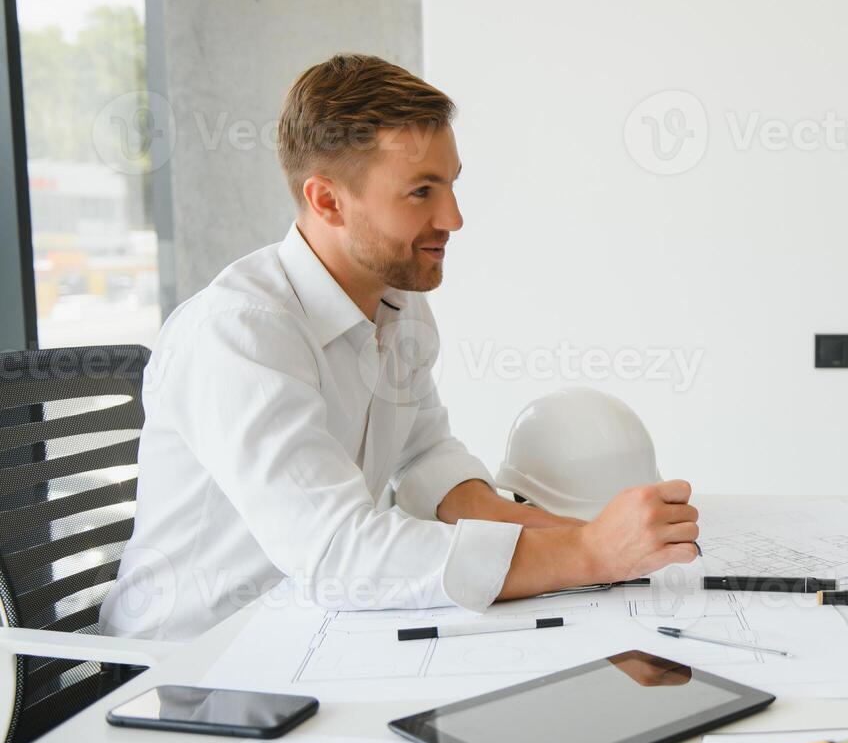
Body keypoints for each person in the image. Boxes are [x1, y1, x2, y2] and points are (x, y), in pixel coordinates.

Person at [102, 54, 698, 641]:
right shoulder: (239, 337)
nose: (454, 218)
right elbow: (339, 554)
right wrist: (589, 555)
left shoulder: (398, 302)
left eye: (451, 184)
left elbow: (428, 464)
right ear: (328, 201)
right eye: (421, 192)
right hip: (187, 665)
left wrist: (576, 534)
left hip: (302, 636)